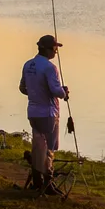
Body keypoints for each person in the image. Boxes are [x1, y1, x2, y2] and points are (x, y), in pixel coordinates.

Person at [19, 34, 69, 192]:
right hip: (48, 113)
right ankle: (47, 183)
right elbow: (56, 91)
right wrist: (64, 92)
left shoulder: (28, 65)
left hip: (33, 112)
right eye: (55, 48)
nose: (56, 52)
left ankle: (38, 180)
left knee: (38, 146)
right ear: (46, 49)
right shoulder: (50, 68)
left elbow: (22, 88)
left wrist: (36, 94)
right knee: (48, 148)